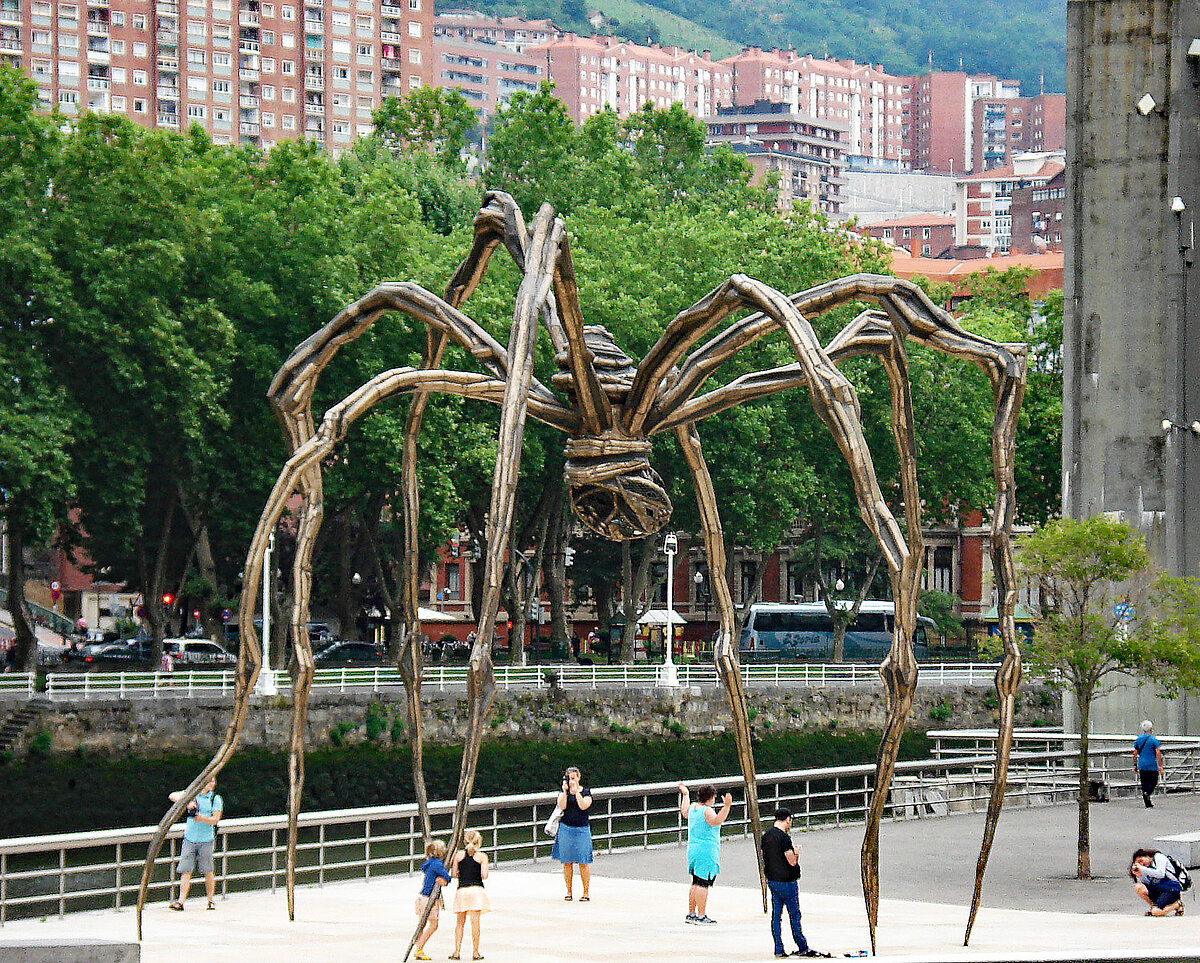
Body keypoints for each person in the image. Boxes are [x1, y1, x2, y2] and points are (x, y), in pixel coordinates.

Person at [761, 808, 817, 958]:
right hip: (787, 881)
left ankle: (778, 948)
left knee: (776, 916)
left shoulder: (766, 836)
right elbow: (791, 861)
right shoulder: (784, 838)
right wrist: (796, 852)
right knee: (794, 914)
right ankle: (802, 946)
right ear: (787, 819)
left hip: (773, 880)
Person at [678, 782, 732, 924]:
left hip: (693, 849)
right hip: (706, 850)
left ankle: (691, 913)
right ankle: (701, 915)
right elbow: (716, 821)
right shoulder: (707, 811)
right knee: (703, 883)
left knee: (695, 882)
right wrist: (726, 806)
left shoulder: (693, 808)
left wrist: (685, 795)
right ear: (711, 797)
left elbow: (684, 811)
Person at [168, 776, 223, 911]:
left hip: (206, 839)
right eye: (210, 781)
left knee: (208, 870)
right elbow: (172, 795)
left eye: (213, 781)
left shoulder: (215, 798)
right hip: (190, 838)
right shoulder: (193, 794)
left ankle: (210, 900)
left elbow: (215, 819)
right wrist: (187, 802)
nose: (212, 784)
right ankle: (181, 902)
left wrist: (202, 818)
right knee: (186, 870)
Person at [551, 766, 593, 900]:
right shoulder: (563, 793)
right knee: (567, 862)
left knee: (583, 861)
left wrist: (577, 793)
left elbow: (583, 806)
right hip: (566, 829)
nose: (571, 781)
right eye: (569, 778)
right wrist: (565, 791)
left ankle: (585, 892)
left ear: (579, 778)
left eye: (574, 778)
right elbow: (562, 806)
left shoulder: (586, 792)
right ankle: (569, 891)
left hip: (582, 829)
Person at [449, 829, 490, 960]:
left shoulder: (458, 855)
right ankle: (475, 952)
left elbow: (454, 874)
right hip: (476, 890)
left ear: (465, 841)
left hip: (462, 890)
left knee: (460, 923)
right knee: (475, 923)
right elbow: (484, 875)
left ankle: (457, 951)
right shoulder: (482, 857)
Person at [413, 838, 451, 960]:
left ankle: (419, 949)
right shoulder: (437, 865)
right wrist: (446, 880)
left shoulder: (429, 863)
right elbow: (447, 877)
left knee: (422, 924)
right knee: (433, 924)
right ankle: (419, 947)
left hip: (422, 897)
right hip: (430, 898)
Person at [1130, 849, 1184, 916]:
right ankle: (1154, 907)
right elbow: (1147, 883)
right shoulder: (1146, 868)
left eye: (1141, 861)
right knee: (1138, 887)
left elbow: (1160, 874)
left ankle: (1177, 904)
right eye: (1139, 864)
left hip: (1171, 888)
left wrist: (1143, 869)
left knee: (1156, 912)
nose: (1142, 864)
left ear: (1146, 856)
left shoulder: (1159, 857)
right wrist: (1140, 875)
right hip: (1159, 889)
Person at [1133, 720, 1164, 808]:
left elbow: (1135, 753)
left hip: (1142, 765)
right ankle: (1148, 793)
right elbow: (1158, 753)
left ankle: (1147, 802)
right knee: (1154, 781)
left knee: (1144, 783)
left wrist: (1135, 764)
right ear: (1151, 729)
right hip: (1152, 765)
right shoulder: (1153, 740)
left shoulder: (1138, 739)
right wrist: (1160, 765)